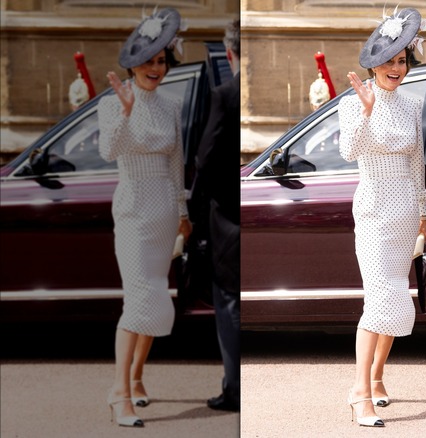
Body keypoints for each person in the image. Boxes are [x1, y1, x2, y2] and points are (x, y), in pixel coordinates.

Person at [338, 7, 426, 427]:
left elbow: (417, 164)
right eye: (390, 61)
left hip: (403, 217)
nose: (397, 68)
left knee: (395, 301)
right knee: (379, 301)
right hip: (374, 215)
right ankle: (360, 393)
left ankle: (376, 377)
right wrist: (367, 111)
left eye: (402, 60)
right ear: (374, 64)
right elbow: (348, 152)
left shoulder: (413, 105)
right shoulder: (354, 102)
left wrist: (423, 213)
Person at [98, 7, 191, 427]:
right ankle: (119, 394)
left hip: (163, 212)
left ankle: (136, 378)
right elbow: (108, 152)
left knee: (154, 299)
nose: (156, 68)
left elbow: (177, 165)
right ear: (133, 63)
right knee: (136, 301)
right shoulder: (113, 103)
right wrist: (126, 111)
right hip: (133, 211)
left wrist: (183, 213)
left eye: (161, 61)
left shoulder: (171, 105)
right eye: (149, 61)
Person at [194, 18, 241, 412]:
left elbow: (206, 158)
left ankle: (235, 389)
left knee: (228, 301)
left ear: (229, 54)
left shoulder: (225, 93)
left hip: (228, 218)